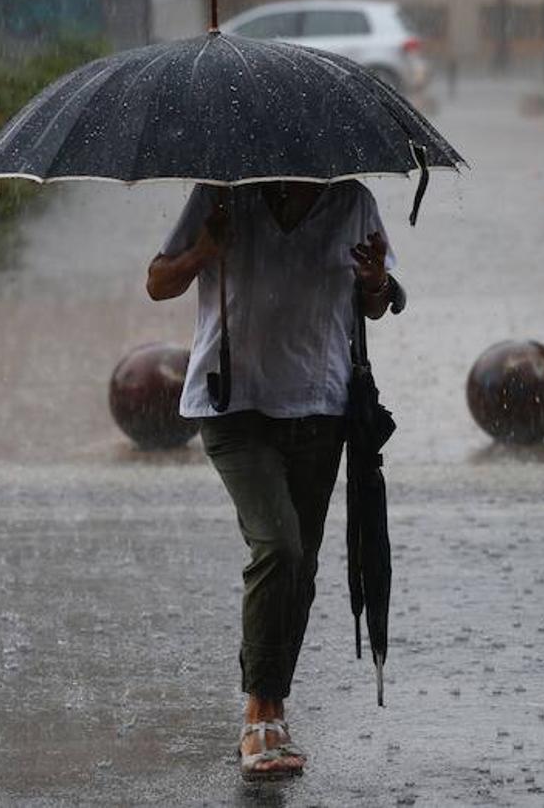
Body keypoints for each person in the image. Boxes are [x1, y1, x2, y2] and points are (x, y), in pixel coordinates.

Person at [145, 179, 397, 780]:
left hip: (319, 402)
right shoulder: (222, 192)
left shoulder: (351, 199)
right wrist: (205, 251)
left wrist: (374, 281)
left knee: (300, 568)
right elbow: (158, 282)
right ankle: (259, 711)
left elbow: (377, 302)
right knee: (279, 546)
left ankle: (273, 708)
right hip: (234, 405)